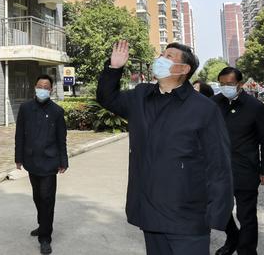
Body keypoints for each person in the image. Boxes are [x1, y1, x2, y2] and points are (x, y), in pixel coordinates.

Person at [97, 41, 233, 255]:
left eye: (168, 56)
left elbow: (218, 164)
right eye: (161, 54)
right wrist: (114, 69)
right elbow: (107, 98)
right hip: (150, 211)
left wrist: (217, 215)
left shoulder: (204, 109)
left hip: (187, 216)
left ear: (184, 69)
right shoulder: (141, 96)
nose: (160, 58)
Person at [212, 67, 264, 255]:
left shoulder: (255, 106)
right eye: (222, 84)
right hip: (218, 170)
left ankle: (247, 251)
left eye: (229, 84)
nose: (225, 87)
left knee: (246, 216)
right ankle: (233, 237)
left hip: (246, 170)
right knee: (218, 210)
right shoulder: (212, 104)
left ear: (240, 84)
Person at [15, 75, 68, 255]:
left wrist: (63, 161)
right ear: (35, 87)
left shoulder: (57, 111)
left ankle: (45, 237)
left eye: (46, 87)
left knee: (47, 199)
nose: (42, 89)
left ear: (50, 90)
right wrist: (18, 157)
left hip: (50, 162)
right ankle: (42, 224)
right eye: (39, 86)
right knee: (37, 197)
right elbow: (19, 135)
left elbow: (62, 139)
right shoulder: (25, 108)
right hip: (31, 161)